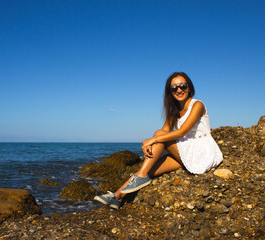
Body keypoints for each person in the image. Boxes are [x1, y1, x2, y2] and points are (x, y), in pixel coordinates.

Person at [94, 72, 223, 209]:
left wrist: (152, 140)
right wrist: (152, 143)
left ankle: (140, 177)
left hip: (200, 151)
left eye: (182, 86)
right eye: (174, 88)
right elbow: (165, 130)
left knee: (157, 137)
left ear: (189, 88)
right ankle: (116, 197)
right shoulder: (174, 110)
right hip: (185, 150)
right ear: (170, 92)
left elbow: (182, 132)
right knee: (149, 168)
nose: (179, 90)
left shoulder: (197, 105)